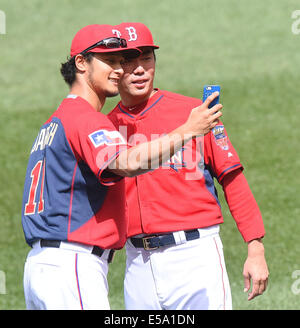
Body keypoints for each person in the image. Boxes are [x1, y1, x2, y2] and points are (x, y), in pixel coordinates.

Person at [22, 24, 222, 310]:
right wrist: (187, 131)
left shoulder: (54, 122)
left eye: (121, 62)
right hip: (71, 267)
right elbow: (128, 162)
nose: (119, 70)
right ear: (81, 63)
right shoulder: (85, 119)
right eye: (110, 61)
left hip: (41, 267)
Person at [108, 22, 269, 310]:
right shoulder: (106, 129)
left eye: (146, 58)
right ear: (115, 67)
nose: (140, 69)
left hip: (195, 256)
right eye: (129, 60)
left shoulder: (194, 113)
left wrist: (255, 246)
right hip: (137, 264)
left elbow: (232, 178)